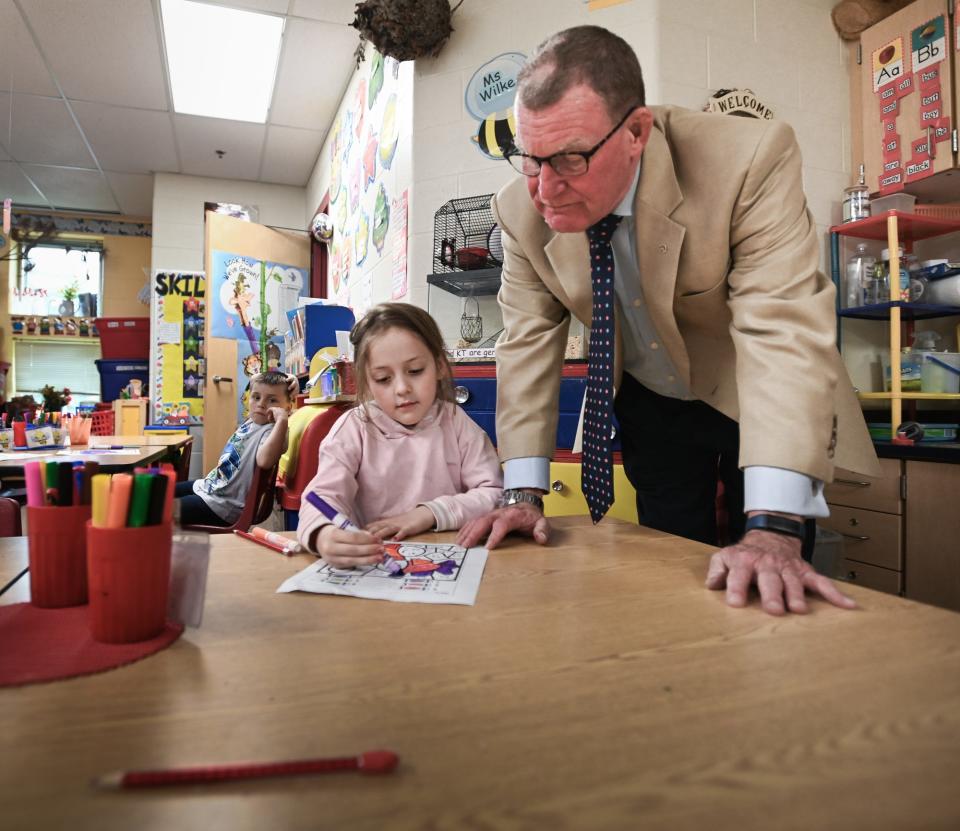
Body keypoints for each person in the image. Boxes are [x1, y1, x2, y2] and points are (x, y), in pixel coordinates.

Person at [457, 25, 879, 616]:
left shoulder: (748, 160)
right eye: (530, 159)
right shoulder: (518, 209)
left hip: (751, 391)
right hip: (650, 396)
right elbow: (527, 342)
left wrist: (775, 527)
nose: (545, 191)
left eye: (571, 159)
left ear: (635, 133)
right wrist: (523, 494)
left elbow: (780, 330)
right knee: (671, 568)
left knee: (765, 574)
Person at [298, 303, 503, 568]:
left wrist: (430, 513)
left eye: (415, 371)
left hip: (447, 562)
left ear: (440, 365)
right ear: (367, 382)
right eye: (383, 379)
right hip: (376, 565)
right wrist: (323, 535)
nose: (403, 388)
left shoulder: (456, 422)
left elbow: (494, 494)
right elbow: (321, 498)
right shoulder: (354, 429)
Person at [176, 369, 295, 526]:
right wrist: (291, 380)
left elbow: (265, 461)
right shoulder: (252, 420)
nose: (261, 404)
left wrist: (282, 421)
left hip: (221, 506)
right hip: (208, 488)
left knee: (159, 510)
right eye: (256, 397)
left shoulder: (273, 430)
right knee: (161, 492)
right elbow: (255, 380)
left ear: (286, 408)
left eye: (272, 400)